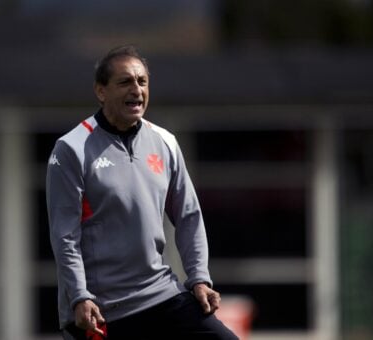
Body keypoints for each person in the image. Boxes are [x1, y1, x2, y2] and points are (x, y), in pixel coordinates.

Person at [46, 45, 238, 340]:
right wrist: (79, 297)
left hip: (161, 295)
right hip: (100, 309)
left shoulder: (165, 142)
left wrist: (199, 277)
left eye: (142, 81)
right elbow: (65, 237)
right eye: (125, 82)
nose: (136, 89)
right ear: (101, 91)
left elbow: (188, 217)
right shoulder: (71, 149)